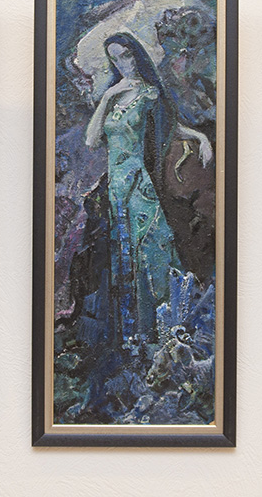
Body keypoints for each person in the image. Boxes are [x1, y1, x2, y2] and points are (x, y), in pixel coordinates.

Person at [84, 32, 212, 343]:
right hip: (115, 189)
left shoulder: (150, 93)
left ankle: (167, 327)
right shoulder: (113, 95)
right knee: (123, 254)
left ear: (136, 55)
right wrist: (107, 97)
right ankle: (134, 334)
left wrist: (201, 137)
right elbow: (91, 140)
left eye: (126, 56)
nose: (123, 64)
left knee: (153, 246)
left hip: (138, 183)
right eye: (115, 59)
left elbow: (170, 125)